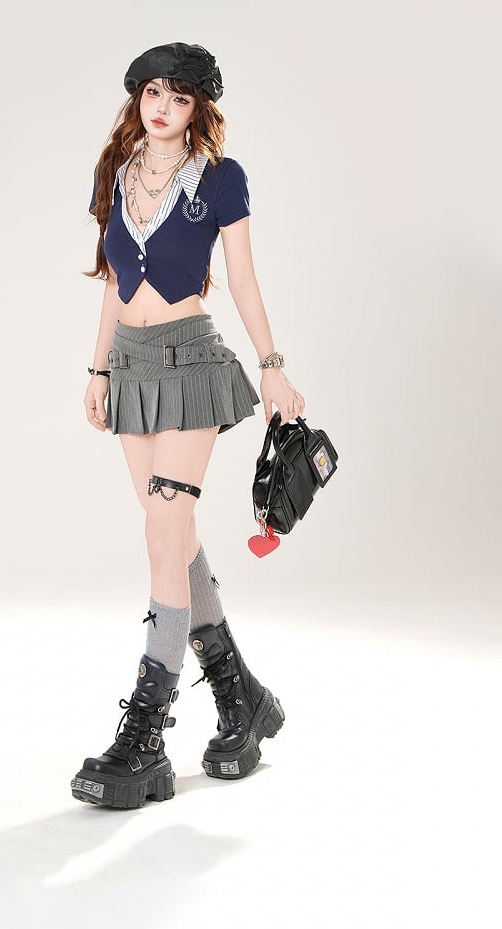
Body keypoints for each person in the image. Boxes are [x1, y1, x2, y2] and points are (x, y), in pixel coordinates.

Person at [71, 43, 305, 809]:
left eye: (179, 96)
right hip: (132, 368)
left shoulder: (219, 180)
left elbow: (242, 277)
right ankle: (243, 700)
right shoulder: (116, 173)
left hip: (190, 363)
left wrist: (271, 365)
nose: (163, 107)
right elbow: (113, 282)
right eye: (153, 93)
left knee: (162, 532)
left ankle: (146, 732)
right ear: (137, 98)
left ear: (198, 107)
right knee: (174, 535)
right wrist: (98, 370)